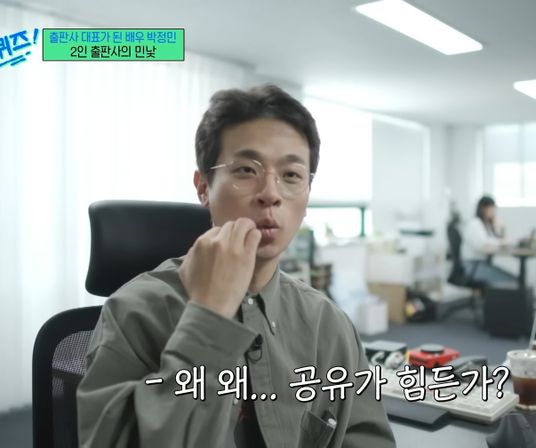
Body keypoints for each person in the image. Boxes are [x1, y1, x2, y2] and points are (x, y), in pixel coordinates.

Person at [76, 85, 396, 448]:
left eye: (291, 175)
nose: (270, 194)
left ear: (307, 196)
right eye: (246, 169)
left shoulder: (328, 323)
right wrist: (209, 316)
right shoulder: (134, 313)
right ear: (203, 187)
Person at [461, 195, 517, 286]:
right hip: (474, 267)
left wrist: (501, 228)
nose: (494, 212)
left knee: (515, 280)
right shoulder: (475, 224)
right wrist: (501, 242)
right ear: (483, 208)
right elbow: (482, 245)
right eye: (492, 208)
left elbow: (497, 240)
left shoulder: (486, 225)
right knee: (513, 281)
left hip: (482, 266)